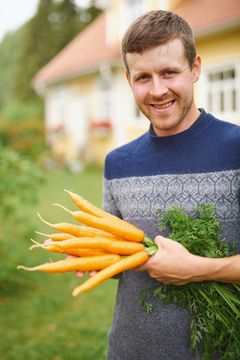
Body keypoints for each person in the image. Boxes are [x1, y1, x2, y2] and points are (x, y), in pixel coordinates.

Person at [103, 9, 240, 360]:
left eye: (169, 73)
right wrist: (97, 258)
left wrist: (199, 269)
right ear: (128, 79)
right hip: (129, 350)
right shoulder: (117, 164)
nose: (158, 90)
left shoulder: (235, 149)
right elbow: (121, 259)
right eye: (143, 77)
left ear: (195, 68)